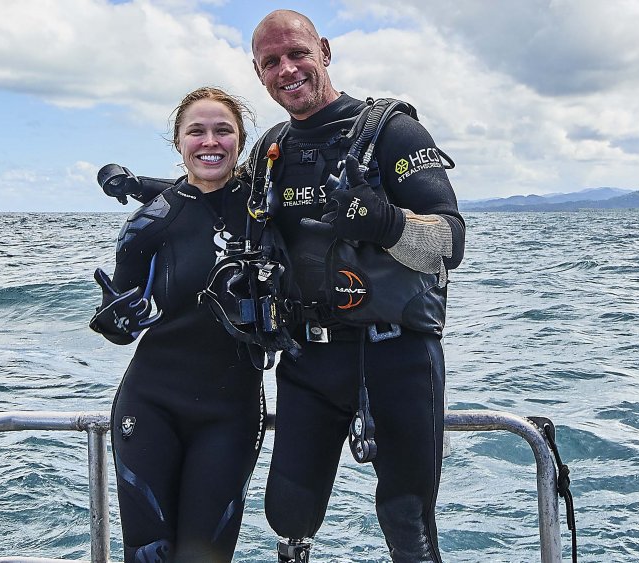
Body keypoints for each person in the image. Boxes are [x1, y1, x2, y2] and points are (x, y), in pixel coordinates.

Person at [247, 10, 466, 562]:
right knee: (287, 511)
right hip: (310, 360)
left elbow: (450, 241)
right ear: (258, 73)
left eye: (297, 53)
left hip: (397, 358)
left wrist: (384, 222)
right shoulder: (271, 150)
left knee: (405, 518)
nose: (287, 69)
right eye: (271, 62)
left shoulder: (394, 132)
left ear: (324, 50)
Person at [89, 87, 270, 563]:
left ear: (240, 140)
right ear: (178, 142)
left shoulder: (267, 210)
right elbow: (121, 321)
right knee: (148, 554)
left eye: (222, 130)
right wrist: (116, 323)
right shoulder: (149, 224)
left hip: (230, 414)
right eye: (196, 131)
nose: (210, 141)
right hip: (150, 403)